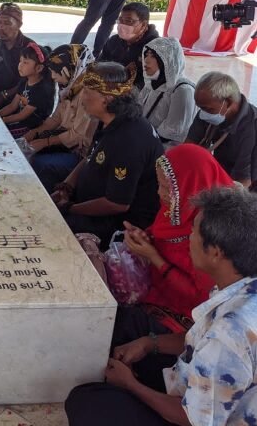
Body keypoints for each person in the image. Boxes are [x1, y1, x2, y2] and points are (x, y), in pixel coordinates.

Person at [65, 186, 257, 426]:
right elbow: (198, 338)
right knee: (126, 322)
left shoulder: (230, 333)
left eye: (194, 232)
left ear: (216, 253)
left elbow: (193, 419)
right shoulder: (239, 284)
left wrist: (131, 385)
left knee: (87, 403)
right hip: (194, 381)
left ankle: (122, 390)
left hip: (195, 417)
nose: (189, 237)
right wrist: (148, 343)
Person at [112, 145, 233, 392]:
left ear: (193, 184)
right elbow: (164, 236)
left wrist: (153, 257)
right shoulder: (179, 208)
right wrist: (144, 238)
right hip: (158, 293)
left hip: (185, 322)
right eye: (161, 185)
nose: (161, 193)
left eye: (167, 188)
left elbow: (200, 299)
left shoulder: (216, 236)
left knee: (115, 324)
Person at [52, 62, 163, 247]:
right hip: (91, 202)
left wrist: (70, 208)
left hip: (119, 223)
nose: (82, 98)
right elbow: (90, 157)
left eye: (87, 92)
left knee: (53, 226)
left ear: (108, 99)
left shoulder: (128, 140)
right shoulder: (110, 120)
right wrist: (66, 187)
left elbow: (118, 203)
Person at [25, 44, 97, 192]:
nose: (53, 77)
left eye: (56, 72)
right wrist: (36, 132)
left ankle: (50, 199)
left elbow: (78, 135)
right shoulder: (69, 86)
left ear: (70, 68)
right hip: (63, 141)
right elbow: (56, 118)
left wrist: (46, 142)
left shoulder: (87, 93)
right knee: (27, 148)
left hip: (79, 152)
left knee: (39, 162)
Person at [186, 72, 257, 188]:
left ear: (228, 102)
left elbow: (243, 183)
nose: (202, 113)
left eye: (207, 108)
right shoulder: (208, 110)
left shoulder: (251, 129)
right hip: (220, 176)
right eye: (200, 108)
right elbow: (189, 148)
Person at [138, 37, 196, 147]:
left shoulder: (183, 90)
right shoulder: (151, 83)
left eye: (153, 56)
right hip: (145, 141)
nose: (146, 60)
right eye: (146, 55)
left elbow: (172, 133)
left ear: (168, 59)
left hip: (166, 151)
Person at [0, 3, 34, 110]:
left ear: (19, 25)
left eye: (7, 23)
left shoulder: (30, 48)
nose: (1, 27)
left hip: (22, 100)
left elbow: (31, 81)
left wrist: (3, 96)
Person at [0, 43, 56, 139]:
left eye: (25, 62)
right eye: (20, 61)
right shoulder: (24, 82)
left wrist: (2, 120)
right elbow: (12, 106)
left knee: (1, 133)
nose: (20, 65)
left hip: (31, 128)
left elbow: (22, 115)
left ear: (39, 68)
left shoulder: (41, 91)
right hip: (20, 122)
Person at [98, 2, 160, 90]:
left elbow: (152, 82)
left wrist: (125, 89)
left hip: (136, 94)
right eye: (120, 20)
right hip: (109, 87)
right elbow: (100, 64)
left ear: (143, 25)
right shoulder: (113, 41)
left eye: (129, 21)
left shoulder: (154, 48)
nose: (122, 25)